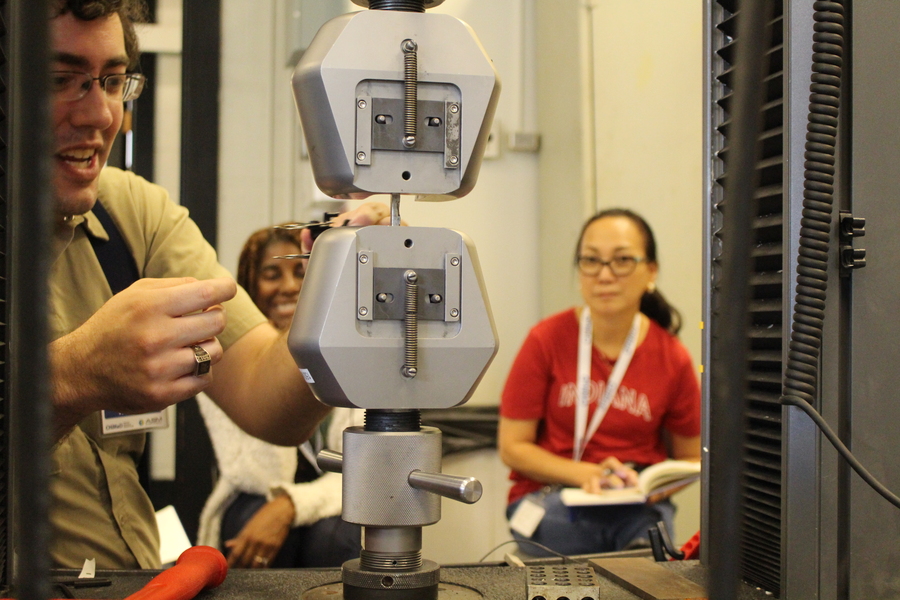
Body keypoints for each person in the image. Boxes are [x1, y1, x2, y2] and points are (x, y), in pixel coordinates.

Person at [46, 0, 389, 569]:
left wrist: (339, 287)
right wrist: (74, 375)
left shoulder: (133, 212)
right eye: (63, 81)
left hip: (134, 580)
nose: (102, 115)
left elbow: (263, 394)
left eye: (111, 81)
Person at [498, 208, 701, 556]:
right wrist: (585, 474)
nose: (604, 275)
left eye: (622, 260)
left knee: (647, 548)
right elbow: (513, 447)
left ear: (650, 271)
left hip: (635, 505)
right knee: (577, 547)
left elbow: (692, 458)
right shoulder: (546, 340)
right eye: (591, 261)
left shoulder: (673, 357)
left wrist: (644, 485)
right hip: (551, 494)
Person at [195, 226, 362, 568]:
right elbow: (255, 473)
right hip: (254, 496)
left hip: (328, 503)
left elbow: (363, 472)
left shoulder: (352, 349)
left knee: (336, 534)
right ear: (250, 287)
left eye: (302, 273)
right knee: (259, 522)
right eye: (272, 275)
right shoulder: (223, 355)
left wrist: (290, 506)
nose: (288, 286)